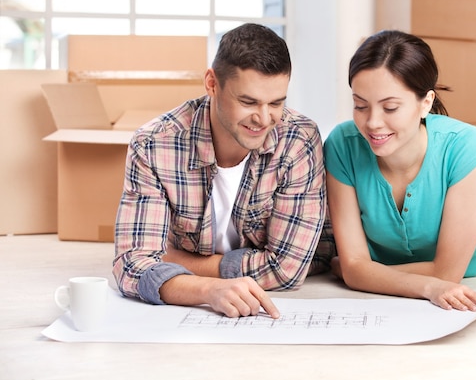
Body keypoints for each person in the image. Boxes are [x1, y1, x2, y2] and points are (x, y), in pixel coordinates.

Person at [113, 23, 331, 319]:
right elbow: (131, 265)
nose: (264, 119)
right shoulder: (154, 144)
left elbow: (286, 271)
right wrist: (206, 289)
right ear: (212, 84)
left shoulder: (298, 140)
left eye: (277, 103)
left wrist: (174, 262)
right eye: (248, 101)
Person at [323, 30, 476, 312]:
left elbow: (448, 274)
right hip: (390, 243)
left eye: (390, 107)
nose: (372, 122)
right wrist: (427, 285)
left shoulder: (465, 145)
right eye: (360, 105)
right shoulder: (341, 144)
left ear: (426, 103)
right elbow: (354, 269)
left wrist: (364, 272)